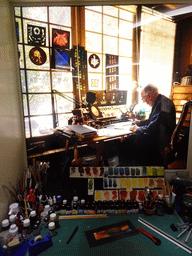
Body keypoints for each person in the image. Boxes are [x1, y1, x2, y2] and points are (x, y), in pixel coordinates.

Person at [119, 84, 176, 166]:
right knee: (132, 138)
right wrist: (140, 122)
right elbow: (153, 121)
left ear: (149, 96)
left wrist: (137, 129)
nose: (143, 101)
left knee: (128, 142)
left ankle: (134, 169)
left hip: (160, 140)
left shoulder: (161, 104)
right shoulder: (160, 100)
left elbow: (153, 128)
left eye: (143, 98)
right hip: (161, 136)